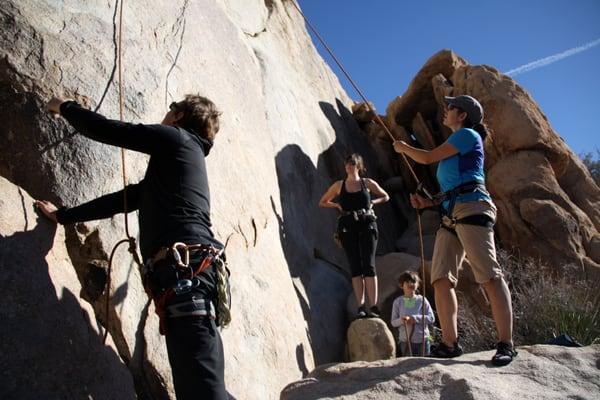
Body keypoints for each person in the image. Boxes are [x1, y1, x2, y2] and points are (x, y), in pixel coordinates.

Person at [35, 94, 228, 399]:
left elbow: (110, 130)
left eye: (171, 109)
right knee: (200, 389)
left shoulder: (176, 140)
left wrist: (64, 106)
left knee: (202, 393)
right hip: (184, 281)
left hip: (185, 278)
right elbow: (122, 200)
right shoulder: (175, 167)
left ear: (178, 116)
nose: (166, 115)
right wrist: (63, 216)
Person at [393, 95, 517, 366]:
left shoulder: (467, 135)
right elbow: (452, 187)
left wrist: (403, 148)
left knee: (488, 274)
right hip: (452, 212)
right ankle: (450, 344)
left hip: (472, 207)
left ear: (462, 115)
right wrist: (428, 202)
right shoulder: (457, 143)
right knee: (440, 279)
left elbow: (426, 158)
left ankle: (506, 344)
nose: (446, 110)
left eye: (451, 107)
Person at [319, 153, 390, 318]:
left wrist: (373, 202)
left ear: (358, 166)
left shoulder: (367, 183)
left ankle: (373, 306)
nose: (348, 166)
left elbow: (385, 196)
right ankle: (360, 307)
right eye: (347, 163)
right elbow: (322, 202)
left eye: (352, 163)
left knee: (369, 264)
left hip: (367, 223)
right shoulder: (339, 185)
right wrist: (336, 204)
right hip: (348, 226)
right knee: (355, 266)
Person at [390, 271, 434, 357]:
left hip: (423, 340)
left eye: (413, 281)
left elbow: (431, 318)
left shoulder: (422, 300)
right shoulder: (398, 302)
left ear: (418, 284)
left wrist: (415, 318)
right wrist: (402, 320)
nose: (411, 284)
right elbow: (393, 322)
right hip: (406, 341)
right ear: (401, 285)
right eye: (407, 282)